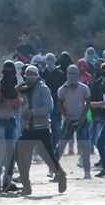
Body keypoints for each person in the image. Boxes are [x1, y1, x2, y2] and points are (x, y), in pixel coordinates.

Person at [15, 65, 67, 195]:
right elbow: (17, 94)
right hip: (27, 129)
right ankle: (26, 187)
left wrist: (31, 113)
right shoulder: (24, 89)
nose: (29, 76)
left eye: (32, 74)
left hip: (42, 128)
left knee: (48, 157)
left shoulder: (43, 89)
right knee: (19, 156)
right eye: (27, 74)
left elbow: (48, 108)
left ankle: (61, 175)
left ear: (37, 75)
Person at [0, 61, 23, 193]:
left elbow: (17, 106)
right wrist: (8, 102)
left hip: (12, 121)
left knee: (13, 152)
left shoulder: (16, 87)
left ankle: (7, 182)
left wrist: (17, 103)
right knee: (2, 152)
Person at [56, 65, 92, 179]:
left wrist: (82, 117)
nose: (72, 76)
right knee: (61, 145)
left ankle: (87, 172)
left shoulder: (84, 88)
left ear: (78, 75)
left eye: (75, 73)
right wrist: (65, 116)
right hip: (69, 121)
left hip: (82, 120)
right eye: (70, 73)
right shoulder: (62, 90)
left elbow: (88, 104)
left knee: (85, 146)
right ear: (67, 74)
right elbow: (60, 105)